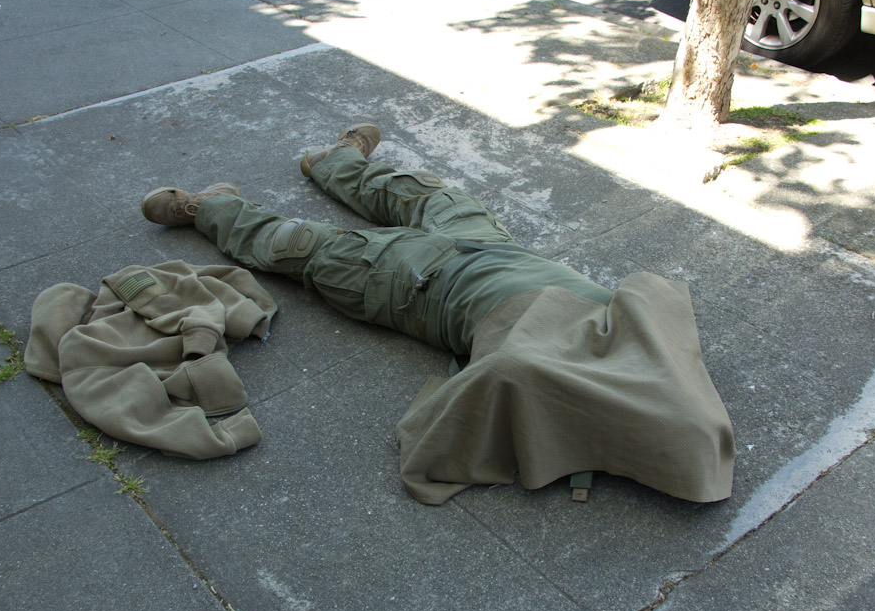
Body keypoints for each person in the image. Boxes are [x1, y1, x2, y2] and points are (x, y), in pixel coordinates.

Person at [142, 124, 736, 505]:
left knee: (313, 251)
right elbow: (652, 297)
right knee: (431, 197)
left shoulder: (529, 374)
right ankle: (335, 161)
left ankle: (210, 209)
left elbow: (437, 439)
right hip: (497, 252)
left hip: (420, 282)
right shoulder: (651, 346)